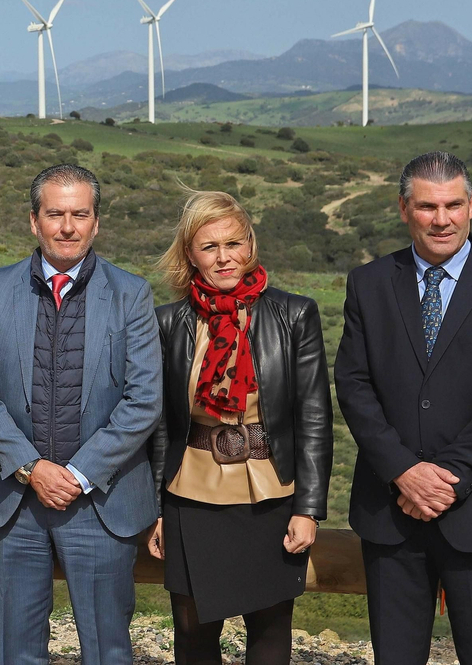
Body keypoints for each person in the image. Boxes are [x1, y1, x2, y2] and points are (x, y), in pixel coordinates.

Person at [335, 151, 472, 665]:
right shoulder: (368, 283)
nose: (442, 219)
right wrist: (403, 472)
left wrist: (447, 479)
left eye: (453, 205)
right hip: (391, 512)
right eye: (428, 207)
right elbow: (354, 384)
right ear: (403, 208)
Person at [0, 163, 162, 665]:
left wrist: (77, 473)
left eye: (80, 214)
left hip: (101, 501)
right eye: (55, 214)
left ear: (96, 222)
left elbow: (144, 400)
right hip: (17, 503)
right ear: (34, 221)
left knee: (107, 650)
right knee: (16, 651)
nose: (67, 226)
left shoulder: (131, 293)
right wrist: (32, 468)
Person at [145, 191, 332, 664]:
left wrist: (309, 509)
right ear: (190, 254)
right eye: (209, 247)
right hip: (190, 495)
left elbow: (314, 418)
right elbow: (161, 425)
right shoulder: (168, 323)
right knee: (192, 633)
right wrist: (157, 509)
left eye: (234, 243)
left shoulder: (295, 315)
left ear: (250, 244)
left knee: (270, 632)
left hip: (271, 494)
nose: (224, 257)